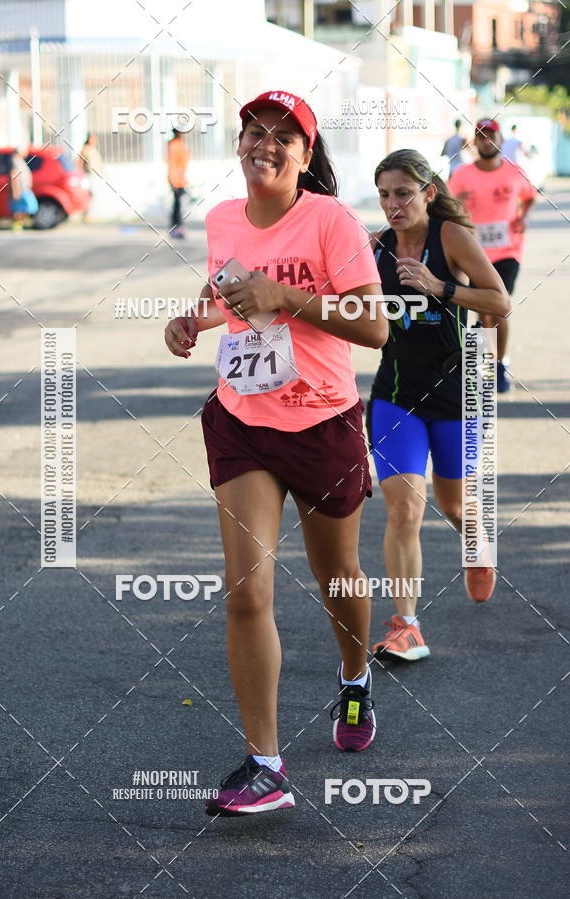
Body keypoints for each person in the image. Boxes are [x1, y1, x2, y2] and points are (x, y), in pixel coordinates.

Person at [165, 90, 388, 816]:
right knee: (247, 589)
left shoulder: (330, 221)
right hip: (243, 419)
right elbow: (225, 280)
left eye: (282, 137)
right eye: (254, 132)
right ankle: (266, 764)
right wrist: (193, 318)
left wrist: (286, 298)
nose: (265, 144)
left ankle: (354, 676)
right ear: (240, 145)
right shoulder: (224, 216)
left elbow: (375, 324)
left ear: (305, 154)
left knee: (338, 579)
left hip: (323, 425)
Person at [367, 149, 510, 663]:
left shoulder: (450, 238)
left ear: (428, 193)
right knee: (405, 505)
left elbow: (499, 300)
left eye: (402, 193)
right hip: (396, 395)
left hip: (455, 393)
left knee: (452, 505)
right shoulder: (376, 246)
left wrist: (441, 287)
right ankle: (407, 626)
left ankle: (477, 539)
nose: (392, 204)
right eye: (384, 194)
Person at [448, 118, 536, 392]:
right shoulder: (461, 175)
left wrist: (525, 217)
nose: (487, 141)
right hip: (474, 254)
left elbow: (530, 197)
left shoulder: (514, 171)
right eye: (481, 137)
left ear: (500, 141)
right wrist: (457, 206)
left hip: (508, 250)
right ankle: (486, 361)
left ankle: (499, 364)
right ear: (475, 142)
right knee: (484, 313)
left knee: (498, 307)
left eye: (491, 136)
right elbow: (446, 205)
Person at [166, 128, 190, 238]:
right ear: (176, 133)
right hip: (176, 181)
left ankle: (177, 227)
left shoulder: (180, 144)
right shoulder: (174, 145)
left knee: (178, 205)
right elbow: (172, 164)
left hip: (181, 180)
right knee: (178, 206)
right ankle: (177, 228)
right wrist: (173, 181)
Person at [8, 151, 38, 232]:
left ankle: (20, 224)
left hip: (25, 189)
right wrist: (15, 190)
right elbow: (13, 175)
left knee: (30, 207)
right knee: (18, 209)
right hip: (20, 190)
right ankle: (17, 226)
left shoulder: (20, 161)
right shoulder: (15, 161)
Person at [76, 133, 102, 223]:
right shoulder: (85, 149)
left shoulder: (93, 149)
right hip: (86, 175)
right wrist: (80, 174)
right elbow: (79, 162)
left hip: (93, 175)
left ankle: (87, 215)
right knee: (89, 195)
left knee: (92, 195)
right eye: (92, 139)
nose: (94, 141)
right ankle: (86, 215)